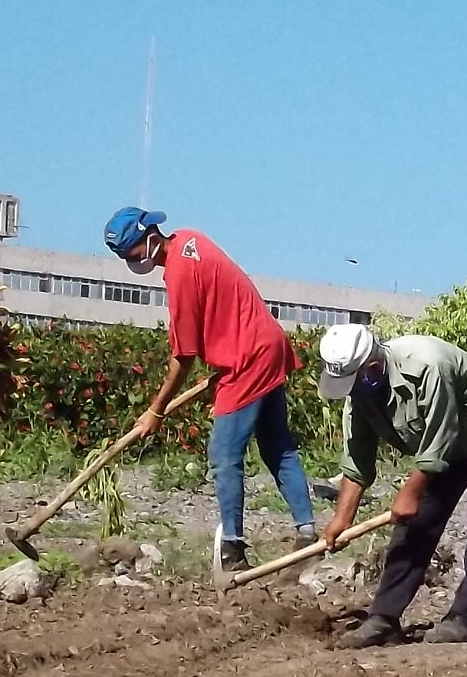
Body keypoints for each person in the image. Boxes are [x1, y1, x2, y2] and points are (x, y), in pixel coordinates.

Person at [103, 207, 318, 569]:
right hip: (267, 345)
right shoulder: (191, 238)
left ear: (150, 238)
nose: (132, 261)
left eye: (132, 253)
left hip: (247, 359)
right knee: (276, 445)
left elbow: (182, 356)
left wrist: (155, 410)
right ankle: (307, 531)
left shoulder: (180, 276)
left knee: (223, 455)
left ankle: (232, 549)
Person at [314, 324, 467, 648]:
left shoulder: (428, 365)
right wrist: (341, 519)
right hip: (450, 438)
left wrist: (410, 492)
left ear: (371, 368)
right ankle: (383, 618)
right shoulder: (358, 395)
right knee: (415, 527)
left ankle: (463, 617)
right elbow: (358, 459)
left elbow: (439, 441)